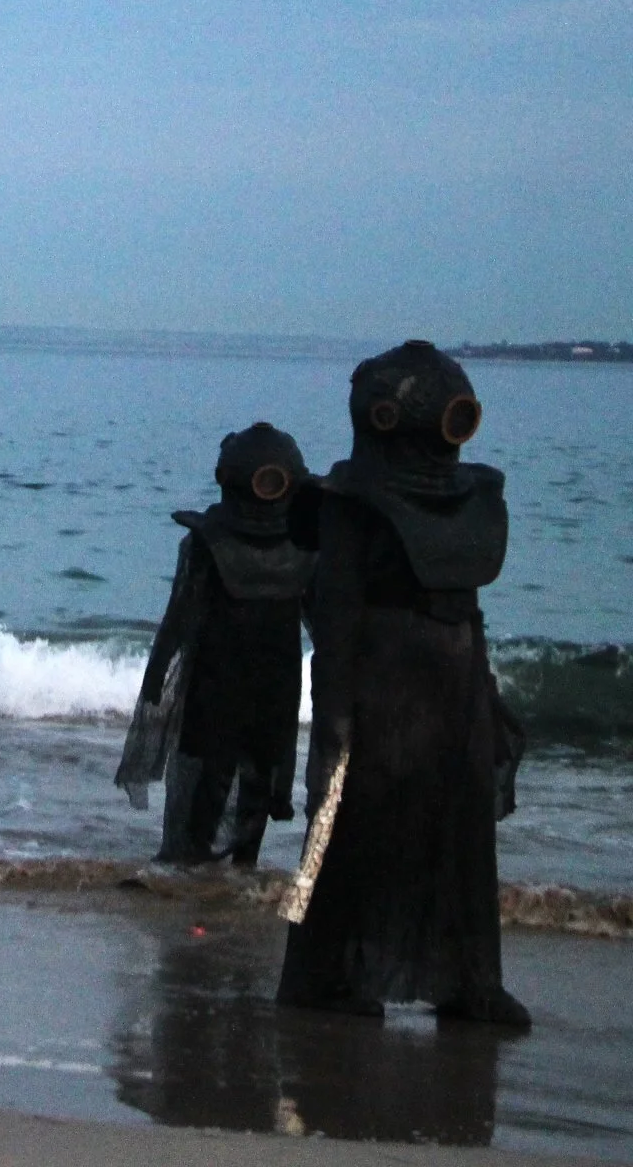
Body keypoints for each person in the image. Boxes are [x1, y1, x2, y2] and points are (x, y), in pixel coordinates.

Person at [277, 340, 527, 1026]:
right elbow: (335, 617)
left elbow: (467, 607)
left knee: (460, 830)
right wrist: (334, 717)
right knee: (354, 822)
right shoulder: (349, 503)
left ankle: (469, 980)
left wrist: (485, 694)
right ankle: (327, 977)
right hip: (381, 685)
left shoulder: (470, 499)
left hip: (454, 687)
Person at [115, 423, 315, 865]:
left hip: (218, 683)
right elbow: (325, 623)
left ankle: (197, 872)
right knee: (255, 778)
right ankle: (238, 875)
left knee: (212, 779)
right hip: (273, 685)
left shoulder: (210, 543)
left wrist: (156, 678)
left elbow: (178, 619)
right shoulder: (303, 547)